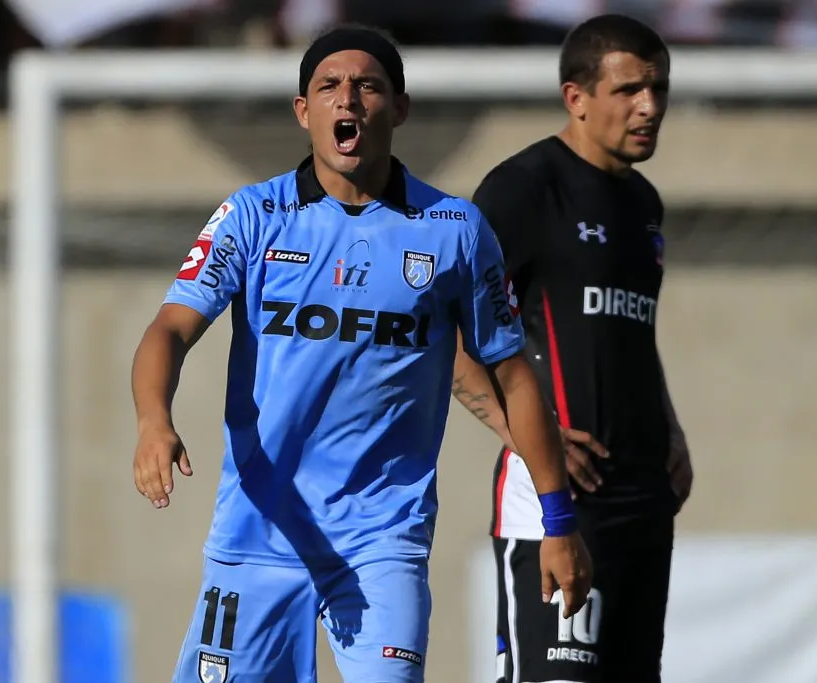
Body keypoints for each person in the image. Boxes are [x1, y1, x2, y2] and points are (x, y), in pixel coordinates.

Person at [130, 24, 593, 683]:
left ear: (398, 109)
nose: (347, 98)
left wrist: (558, 519)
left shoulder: (455, 231)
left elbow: (511, 374)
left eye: (367, 86)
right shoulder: (254, 216)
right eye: (329, 87)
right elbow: (168, 329)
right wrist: (154, 419)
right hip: (259, 538)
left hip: (382, 543)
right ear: (304, 111)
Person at [450, 14, 692, 683]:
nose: (650, 107)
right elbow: (447, 335)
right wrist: (530, 436)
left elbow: (631, 332)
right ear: (575, 97)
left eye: (659, 88)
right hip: (556, 506)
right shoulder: (523, 189)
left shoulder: (643, 203)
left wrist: (669, 427)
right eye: (630, 90)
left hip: (641, 501)